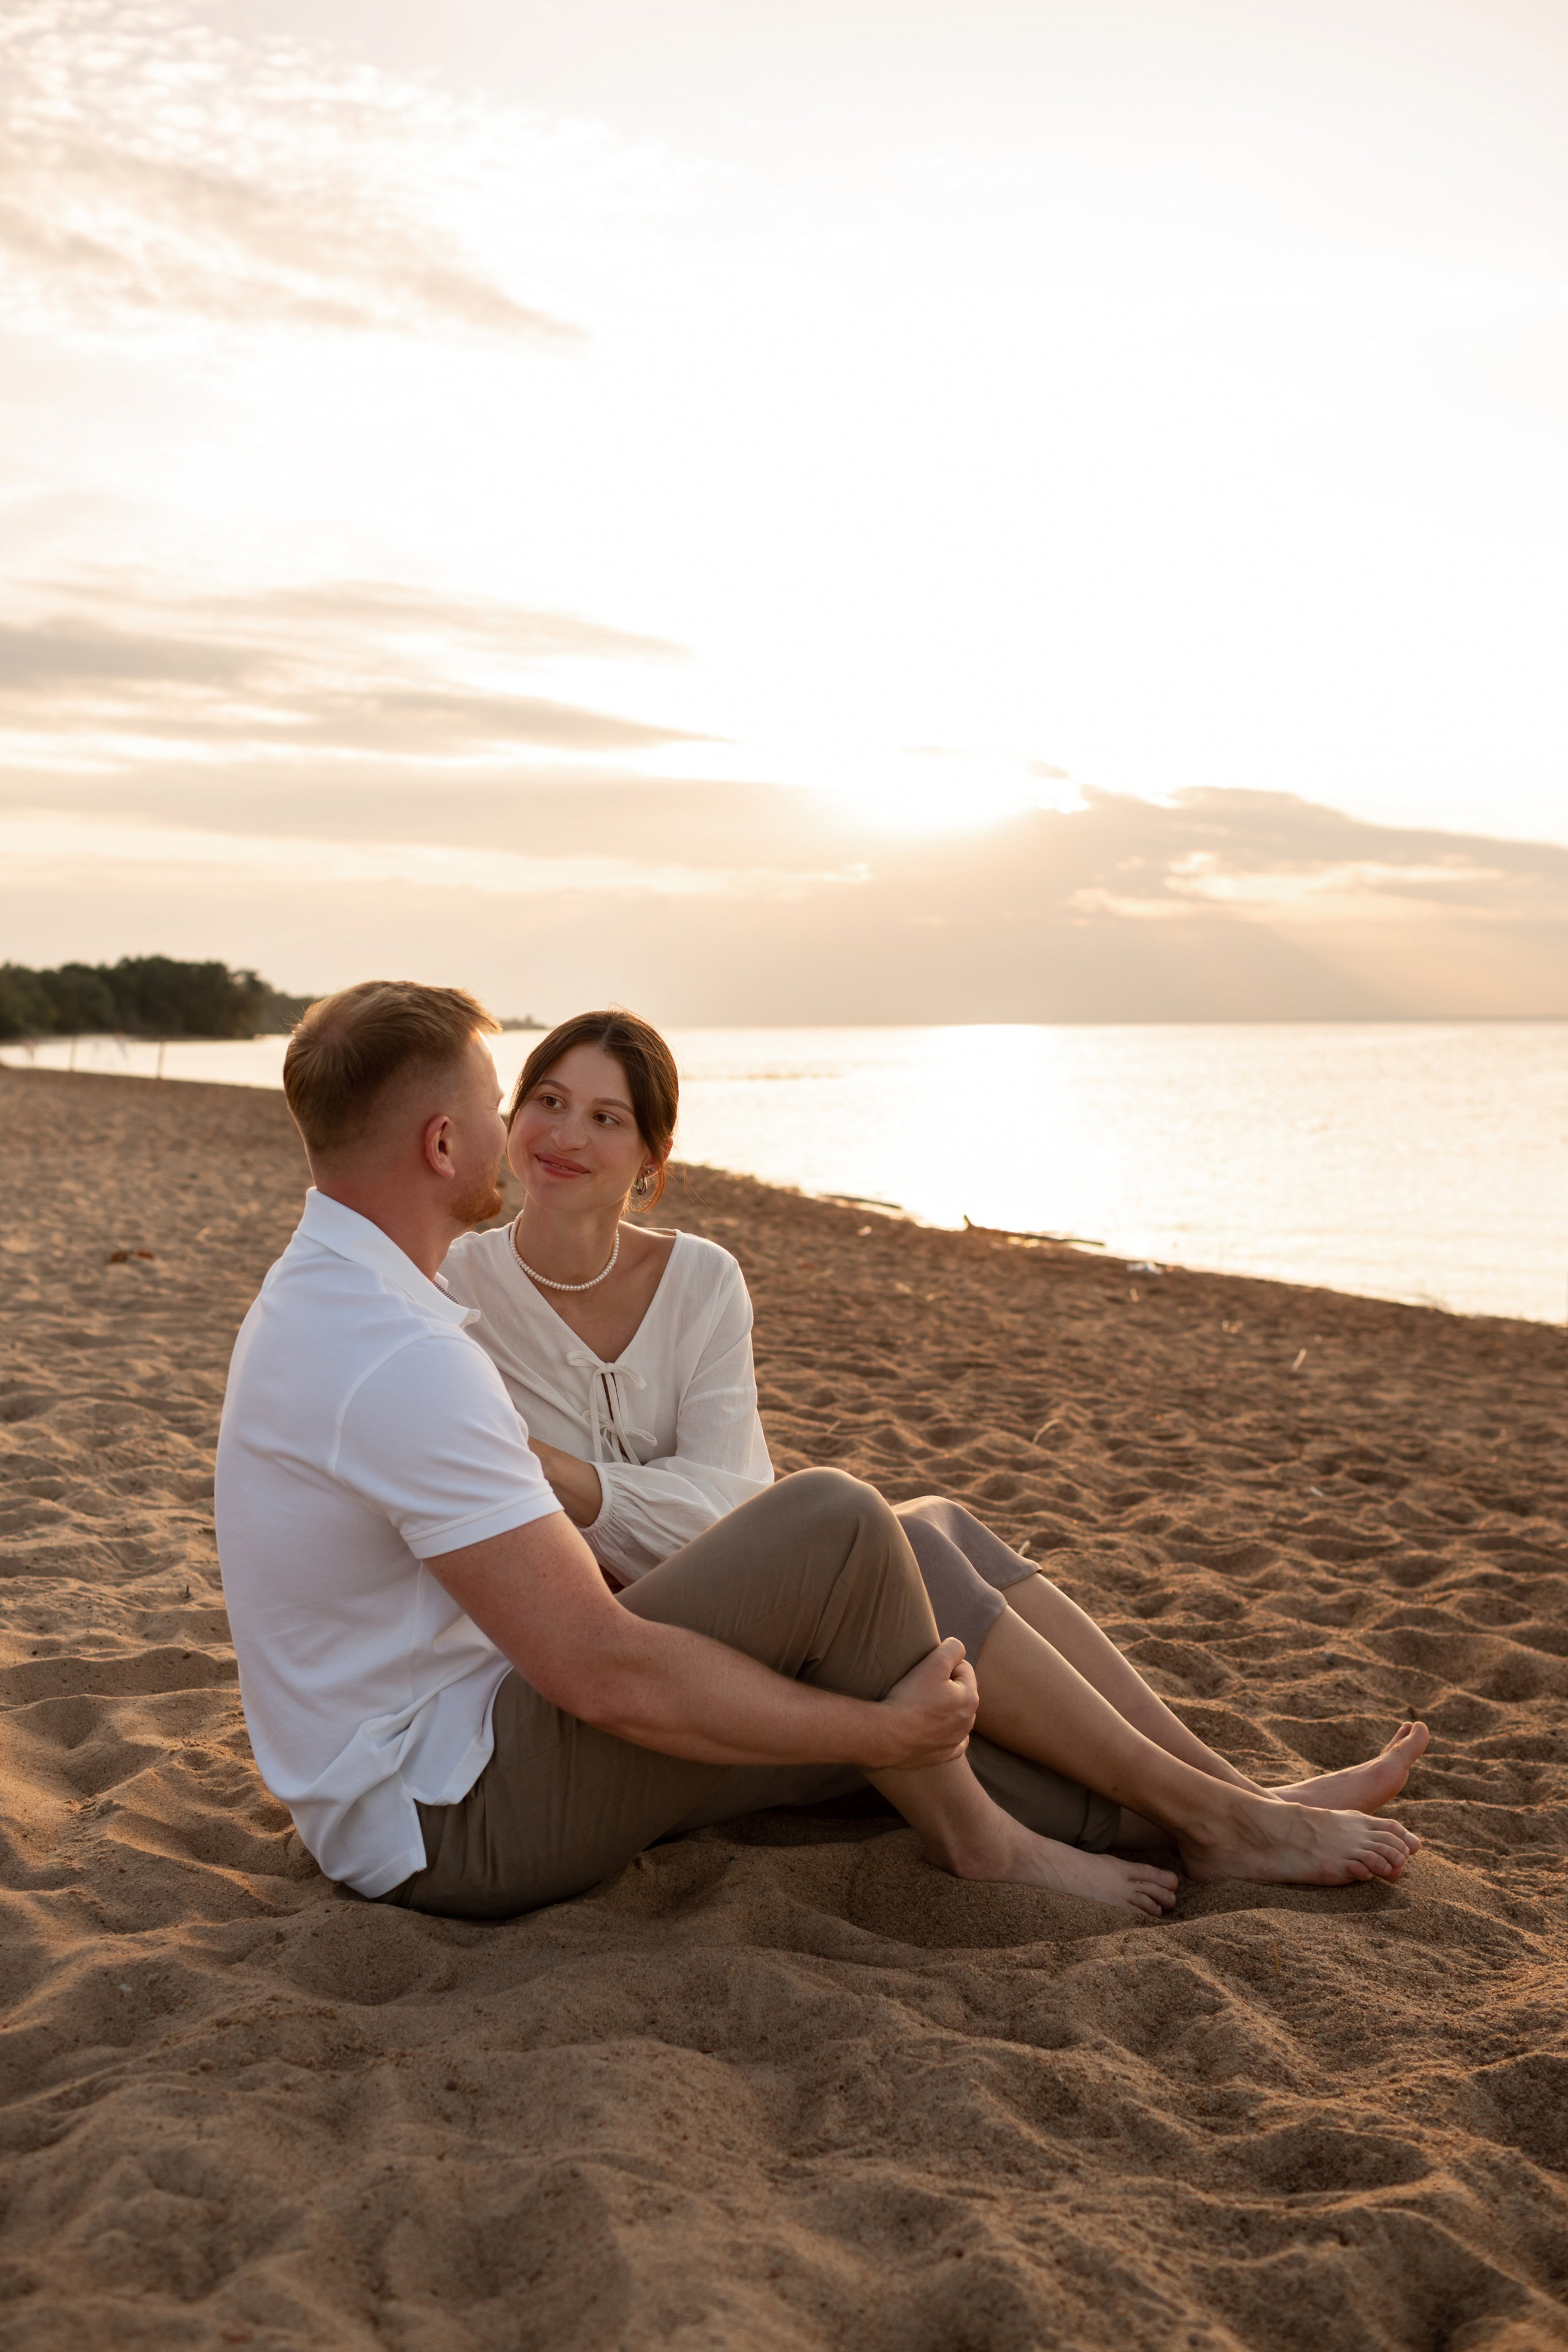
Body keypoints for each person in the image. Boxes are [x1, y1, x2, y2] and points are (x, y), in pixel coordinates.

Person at [444, 1007, 1431, 1877]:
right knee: (909, 1554)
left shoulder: (701, 1278)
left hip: (760, 1593)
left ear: (653, 1160)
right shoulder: (458, 1290)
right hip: (638, 1651)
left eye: (606, 1117)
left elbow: (727, 1501)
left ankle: (1237, 1796)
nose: (565, 1135)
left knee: (938, 1519)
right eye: (548, 1101)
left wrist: (561, 1473)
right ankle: (1225, 1815)